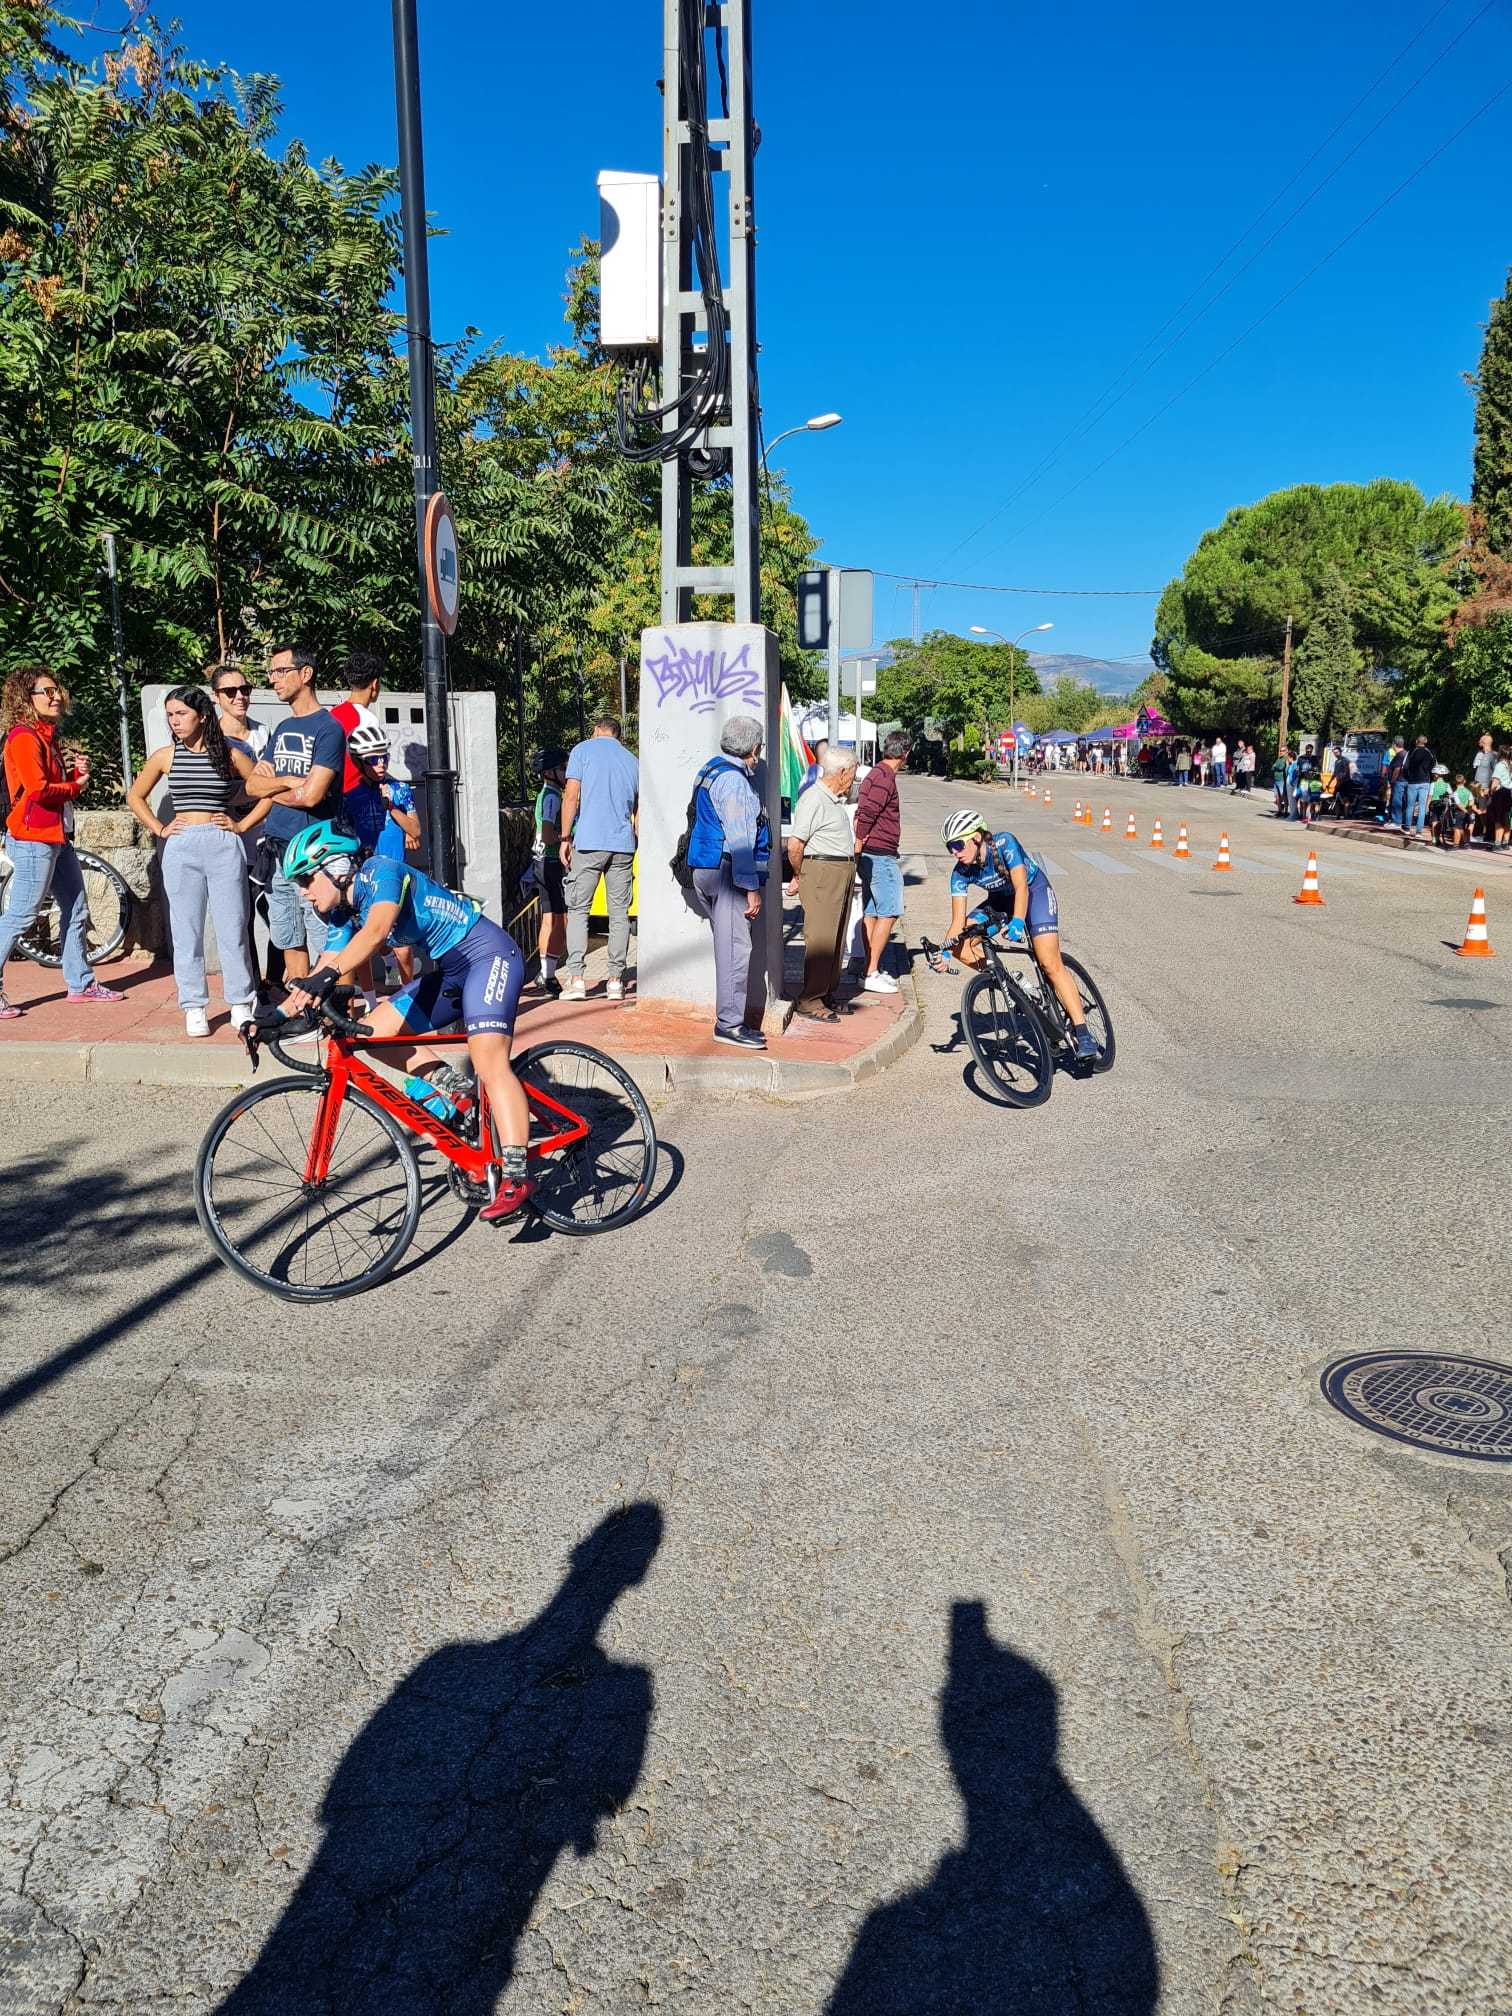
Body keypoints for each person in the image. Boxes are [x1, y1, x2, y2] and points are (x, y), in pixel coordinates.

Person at [279, 822, 533, 1223]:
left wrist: (326, 978)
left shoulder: (382, 872)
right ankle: (459, 1092)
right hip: (452, 971)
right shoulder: (344, 910)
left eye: (307, 879)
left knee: (488, 1059)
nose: (303, 891)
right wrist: (276, 1016)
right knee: (371, 1033)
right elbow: (325, 965)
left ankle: (517, 1174)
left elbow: (377, 931)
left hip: (488, 956)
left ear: (337, 866)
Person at [126, 686, 262, 1037]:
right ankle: (194, 1005)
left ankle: (240, 1002)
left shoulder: (230, 754)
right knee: (186, 930)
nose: (175, 721)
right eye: (171, 715)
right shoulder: (165, 756)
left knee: (233, 927)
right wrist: (159, 827)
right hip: (182, 846)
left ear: (202, 715)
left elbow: (266, 788)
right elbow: (135, 795)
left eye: (181, 713)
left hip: (222, 843)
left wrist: (242, 824)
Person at [0, 667, 125, 1019]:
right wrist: (75, 787)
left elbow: (46, 786)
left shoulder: (46, 737)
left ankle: (81, 984)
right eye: (46, 692)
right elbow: (38, 790)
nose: (56, 697)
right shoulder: (24, 737)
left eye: (57, 690)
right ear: (27, 699)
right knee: (21, 915)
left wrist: (74, 776)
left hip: (55, 837)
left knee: (77, 907)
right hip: (33, 839)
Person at [934, 810, 1099, 1062]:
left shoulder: (1003, 844)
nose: (954, 852)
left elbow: (1021, 886)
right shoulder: (960, 872)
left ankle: (1083, 1032)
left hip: (1034, 893)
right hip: (1000, 902)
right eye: (949, 847)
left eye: (957, 844)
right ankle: (1010, 982)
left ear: (976, 837)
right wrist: (945, 951)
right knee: (960, 946)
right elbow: (957, 923)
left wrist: (1018, 921)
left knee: (1048, 962)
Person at [241, 643, 348, 985]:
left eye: (280, 671)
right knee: (288, 935)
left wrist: (278, 789)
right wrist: (289, 782)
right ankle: (304, 1010)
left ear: (306, 674)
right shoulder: (284, 727)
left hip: (315, 851)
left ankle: (337, 1015)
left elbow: (314, 796)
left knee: (327, 935)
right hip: (277, 851)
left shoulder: (328, 729)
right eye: (271, 673)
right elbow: (252, 787)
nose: (273, 680)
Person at [686, 715, 771, 1050]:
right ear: (753, 748)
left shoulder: (709, 769)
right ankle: (730, 1024)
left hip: (704, 868)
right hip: (728, 872)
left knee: (727, 946)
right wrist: (751, 889)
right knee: (736, 951)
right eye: (759, 748)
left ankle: (729, 1018)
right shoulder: (735, 782)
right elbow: (740, 841)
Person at [559, 716, 638, 1003]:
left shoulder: (582, 750)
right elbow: (639, 807)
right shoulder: (632, 760)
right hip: (622, 845)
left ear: (596, 730)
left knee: (579, 909)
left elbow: (571, 796)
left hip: (589, 842)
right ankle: (616, 980)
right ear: (618, 735)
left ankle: (577, 979)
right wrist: (634, 837)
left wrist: (565, 837)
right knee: (619, 914)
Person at [784, 746, 857, 1022]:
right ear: (841, 773)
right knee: (822, 937)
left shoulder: (833, 799)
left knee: (836, 936)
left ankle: (826, 992)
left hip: (838, 870)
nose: (853, 778)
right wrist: (800, 874)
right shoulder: (814, 798)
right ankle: (810, 999)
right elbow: (795, 844)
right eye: (852, 772)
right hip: (823, 870)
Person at [853, 730, 912, 995]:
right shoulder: (884, 777)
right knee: (889, 910)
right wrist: (859, 838)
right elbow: (867, 811)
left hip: (870, 853)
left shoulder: (874, 774)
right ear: (905, 753)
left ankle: (870, 968)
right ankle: (871, 972)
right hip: (879, 854)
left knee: (873, 911)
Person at [529, 747, 569, 993]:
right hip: (551, 862)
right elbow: (547, 833)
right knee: (559, 920)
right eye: (563, 768)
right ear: (549, 772)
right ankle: (550, 975)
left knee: (547, 918)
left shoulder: (546, 793)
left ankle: (543, 972)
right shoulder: (552, 796)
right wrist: (567, 836)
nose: (567, 773)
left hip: (539, 861)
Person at [329, 650, 384, 796]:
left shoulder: (333, 713)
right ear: (375, 683)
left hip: (335, 795)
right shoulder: (368, 719)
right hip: (358, 794)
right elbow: (374, 768)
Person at [211, 663, 269, 759]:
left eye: (244, 689)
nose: (240, 696)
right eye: (230, 691)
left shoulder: (266, 735)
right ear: (216, 696)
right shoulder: (208, 736)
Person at [1399, 734, 1436, 844]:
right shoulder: (1430, 753)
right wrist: (1428, 776)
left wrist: (1408, 778)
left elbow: (1404, 767)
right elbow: (1434, 768)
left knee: (1410, 805)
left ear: (1416, 741)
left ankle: (1407, 828)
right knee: (1422, 806)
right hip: (1425, 782)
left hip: (1413, 782)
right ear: (1426, 741)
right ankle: (1419, 831)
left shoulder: (1411, 752)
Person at [1272, 744, 1290, 816]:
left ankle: (1286, 811)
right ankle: (1279, 811)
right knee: (1277, 796)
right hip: (1276, 780)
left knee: (1283, 796)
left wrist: (1276, 766)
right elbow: (1272, 768)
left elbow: (1281, 767)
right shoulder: (1278, 759)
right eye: (1280, 751)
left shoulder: (1286, 759)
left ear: (1286, 751)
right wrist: (1276, 766)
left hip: (1282, 780)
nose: (1281, 752)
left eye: (1283, 750)